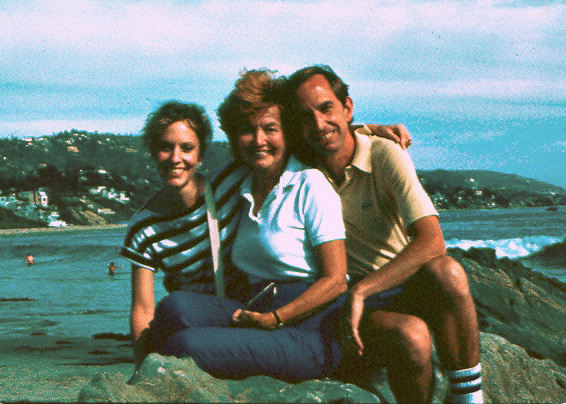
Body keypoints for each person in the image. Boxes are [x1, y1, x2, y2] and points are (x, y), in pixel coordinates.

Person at [283, 65, 483, 403]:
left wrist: (362, 289)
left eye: (326, 108)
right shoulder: (302, 169)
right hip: (359, 308)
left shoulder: (384, 152)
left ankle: (468, 398)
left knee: (448, 270)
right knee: (412, 337)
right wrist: (358, 294)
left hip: (402, 283)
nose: (317, 123)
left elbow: (433, 240)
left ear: (347, 107)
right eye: (306, 116)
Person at [144, 69, 348, 381]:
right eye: (247, 130)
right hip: (256, 307)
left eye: (270, 128)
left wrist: (276, 318)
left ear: (288, 132)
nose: (258, 141)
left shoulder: (310, 184)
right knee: (173, 308)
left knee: (185, 346)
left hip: (309, 330)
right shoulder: (241, 182)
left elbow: (336, 281)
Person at [121, 101, 249, 367]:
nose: (175, 158)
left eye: (187, 148)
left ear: (200, 155)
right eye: (166, 147)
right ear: (154, 152)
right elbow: (143, 308)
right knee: (175, 306)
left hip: (245, 313)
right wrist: (144, 370)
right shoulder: (143, 228)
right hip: (191, 322)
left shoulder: (228, 184)